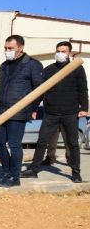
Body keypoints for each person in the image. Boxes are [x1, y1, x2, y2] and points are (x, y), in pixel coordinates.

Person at [21, 41, 87, 183]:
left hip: (70, 112)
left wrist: (84, 109)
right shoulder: (49, 70)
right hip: (50, 112)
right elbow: (40, 91)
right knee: (42, 141)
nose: (60, 53)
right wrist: (34, 108)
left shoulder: (77, 69)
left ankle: (76, 172)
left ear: (69, 53)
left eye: (63, 51)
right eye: (58, 51)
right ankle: (33, 169)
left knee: (73, 143)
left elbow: (83, 89)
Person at [0, 35, 43, 187]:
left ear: (20, 48)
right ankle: (7, 171)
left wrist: (32, 108)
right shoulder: (4, 65)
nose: (7, 51)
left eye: (10, 48)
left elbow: (40, 90)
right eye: (5, 48)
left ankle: (15, 177)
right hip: (1, 110)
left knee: (14, 144)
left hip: (19, 111)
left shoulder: (33, 65)